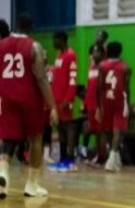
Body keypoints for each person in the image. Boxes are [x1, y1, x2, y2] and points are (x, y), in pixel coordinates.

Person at [0, 14, 59, 198]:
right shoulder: (35, 47)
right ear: (31, 28)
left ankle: (2, 174)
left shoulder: (1, 44)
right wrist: (53, 106)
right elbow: (41, 78)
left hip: (7, 97)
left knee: (8, 138)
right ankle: (31, 185)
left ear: (16, 26)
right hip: (29, 98)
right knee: (35, 138)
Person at [96, 41, 131, 173]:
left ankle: (114, 157)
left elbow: (99, 87)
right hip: (119, 100)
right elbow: (127, 88)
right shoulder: (125, 67)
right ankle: (112, 157)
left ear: (107, 52)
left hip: (106, 99)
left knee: (108, 130)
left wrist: (99, 105)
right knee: (117, 130)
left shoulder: (102, 66)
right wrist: (129, 103)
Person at [47, 30, 78, 172]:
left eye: (55, 39)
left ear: (62, 39)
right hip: (57, 99)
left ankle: (71, 159)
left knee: (68, 127)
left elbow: (72, 79)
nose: (53, 42)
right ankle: (62, 158)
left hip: (66, 99)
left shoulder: (71, 55)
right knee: (59, 128)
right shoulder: (59, 55)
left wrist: (69, 98)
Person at [83, 44, 107, 164]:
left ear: (103, 54)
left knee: (101, 131)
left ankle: (102, 156)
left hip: (100, 104)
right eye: (93, 52)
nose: (94, 54)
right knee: (95, 131)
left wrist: (100, 106)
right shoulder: (91, 67)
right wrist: (85, 103)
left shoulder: (104, 68)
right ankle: (98, 155)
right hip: (91, 103)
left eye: (97, 52)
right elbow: (89, 86)